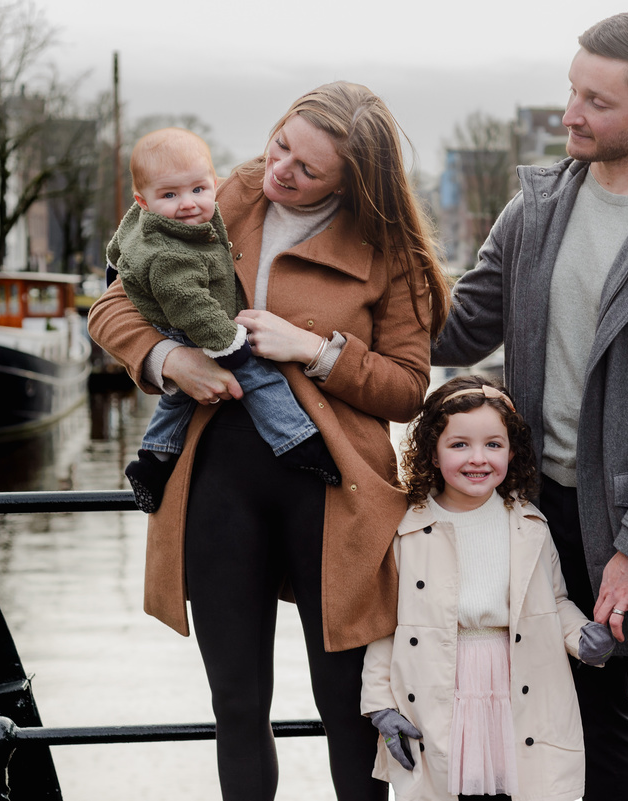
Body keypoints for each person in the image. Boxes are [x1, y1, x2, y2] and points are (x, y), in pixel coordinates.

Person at [87, 82, 451, 801]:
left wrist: (314, 349)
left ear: (354, 181)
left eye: (307, 169)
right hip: (218, 484)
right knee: (239, 706)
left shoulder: (391, 250)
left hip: (335, 497)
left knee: (350, 710)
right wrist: (171, 362)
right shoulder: (225, 195)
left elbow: (409, 387)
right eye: (280, 143)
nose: (280, 170)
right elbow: (113, 302)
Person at [431, 12, 628, 801]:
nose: (572, 114)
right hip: (549, 513)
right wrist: (328, 329)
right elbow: (458, 325)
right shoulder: (535, 209)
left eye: (598, 101)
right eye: (572, 91)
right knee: (590, 716)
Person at [361, 375, 614, 801]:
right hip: (441, 683)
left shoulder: (530, 524)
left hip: (516, 680)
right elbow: (385, 622)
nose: (478, 458)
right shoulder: (406, 529)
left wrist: (581, 636)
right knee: (450, 787)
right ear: (432, 452)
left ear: (511, 452)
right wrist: (380, 704)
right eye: (459, 444)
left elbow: (553, 601)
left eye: (493, 445)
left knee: (521, 785)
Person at [107, 127, 339, 514]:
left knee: (179, 399)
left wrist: (116, 258)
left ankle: (152, 459)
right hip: (200, 328)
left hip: (200, 324)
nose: (188, 203)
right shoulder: (171, 250)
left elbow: (123, 239)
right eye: (280, 146)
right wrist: (218, 347)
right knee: (257, 377)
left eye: (199, 189)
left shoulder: (199, 206)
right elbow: (189, 304)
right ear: (143, 201)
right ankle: (299, 442)